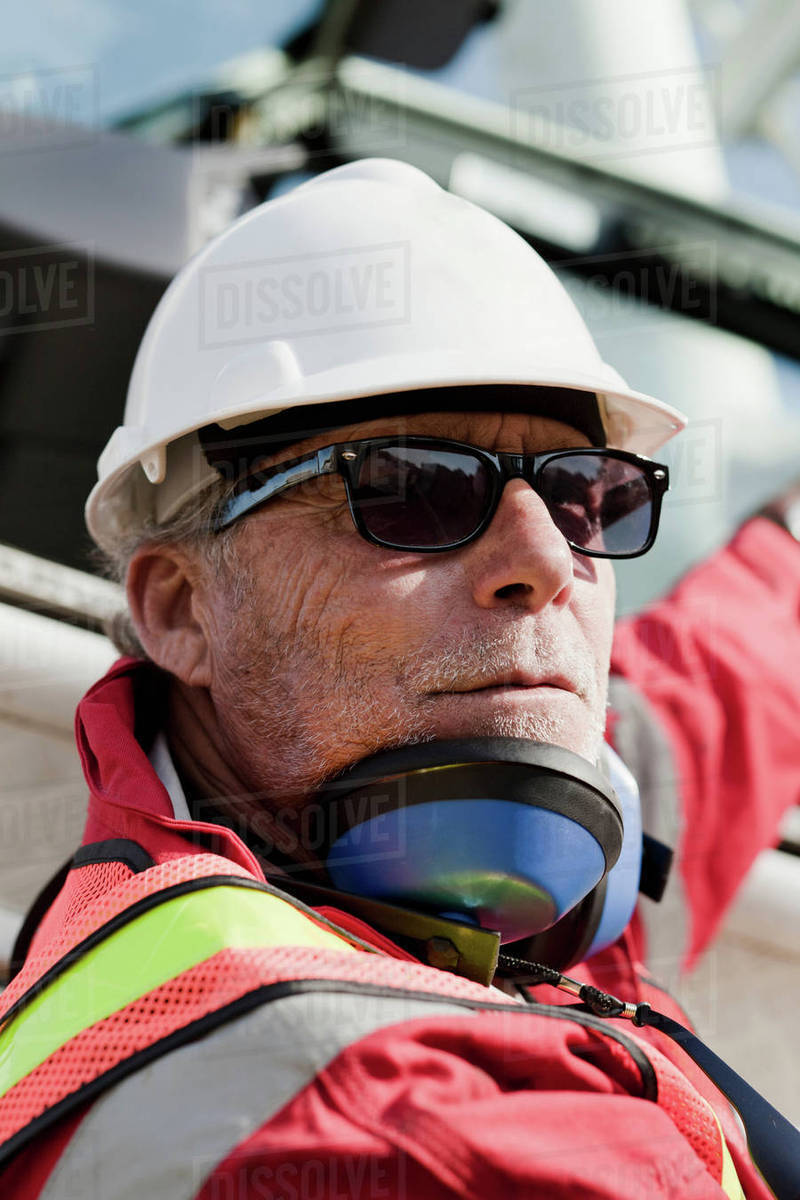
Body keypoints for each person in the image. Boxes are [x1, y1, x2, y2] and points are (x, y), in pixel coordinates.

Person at [1, 159, 798, 1200]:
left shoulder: (464, 922)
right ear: (181, 609)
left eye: (580, 499)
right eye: (414, 490)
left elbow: (707, 691)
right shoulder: (372, 1112)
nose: (548, 562)